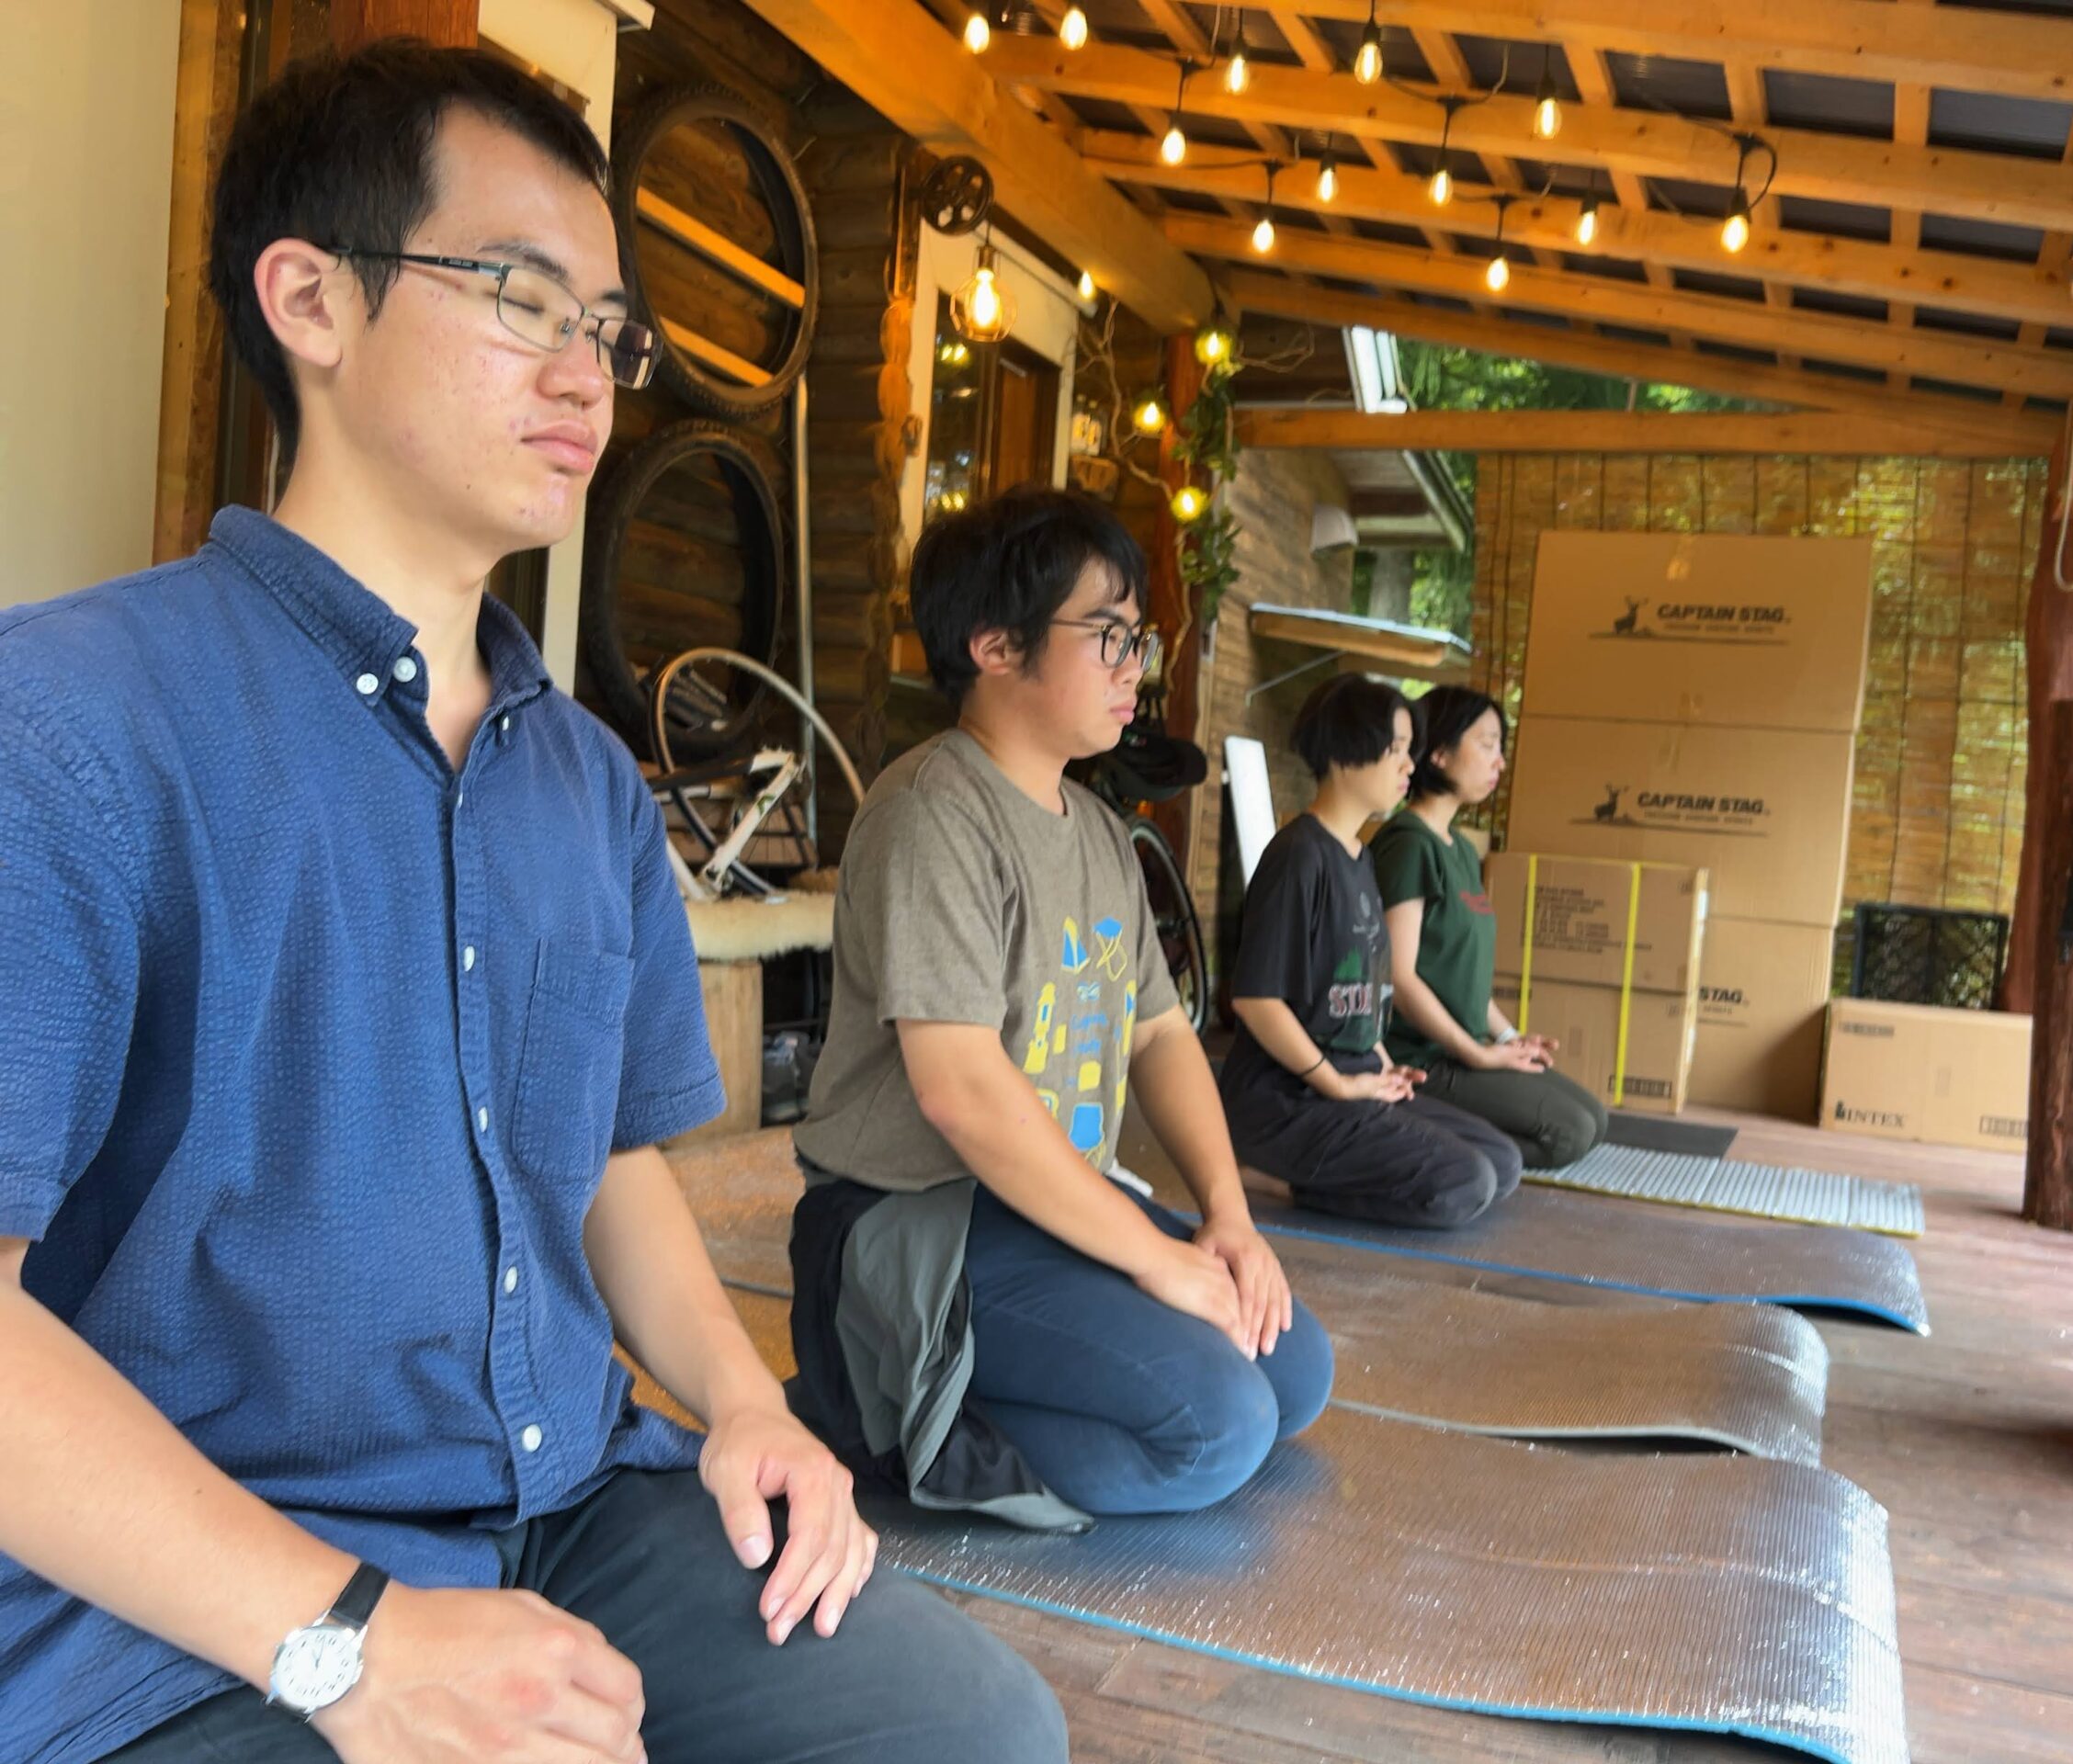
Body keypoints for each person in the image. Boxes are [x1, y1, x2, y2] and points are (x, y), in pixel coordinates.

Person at [0, 45, 1062, 1764]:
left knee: (975, 1731)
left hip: (566, 1505)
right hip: (198, 1587)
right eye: (521, 297)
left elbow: (609, 1164)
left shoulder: (582, 781)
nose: (590, 374)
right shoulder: (69, 723)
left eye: (610, 331)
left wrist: (745, 1404)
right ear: (310, 299)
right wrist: (351, 1646)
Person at [787, 487, 1332, 1523]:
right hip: (918, 1223)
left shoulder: (1096, 828)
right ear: (996, 645)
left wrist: (1225, 1218)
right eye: (1109, 635)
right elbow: (959, 1091)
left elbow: (1160, 1033)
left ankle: (941, 1388)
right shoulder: (932, 811)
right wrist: (1156, 1261)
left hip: (1049, 1201)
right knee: (1220, 1429)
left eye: (1139, 639)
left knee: (1293, 1369)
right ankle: (873, 1402)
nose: (1136, 668)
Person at [1218, 676, 1524, 1227]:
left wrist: (1381, 1065)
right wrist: (1338, 1084)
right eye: (1396, 749)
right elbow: (1256, 1001)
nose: (1409, 765)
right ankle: (1274, 1177)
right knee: (1465, 1182)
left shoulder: (1359, 857)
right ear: (1345, 752)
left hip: (1354, 1083)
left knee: (1502, 1162)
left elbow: (1357, 992)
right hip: (1290, 1100)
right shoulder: (1298, 856)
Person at [1370, 686, 1607, 1173]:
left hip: (1463, 1047)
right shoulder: (1409, 845)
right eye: (1486, 744)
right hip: (1423, 1057)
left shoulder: (1459, 848)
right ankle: (1398, 1139)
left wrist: (1508, 1038)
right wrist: (1477, 1053)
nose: (1499, 761)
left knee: (1595, 1119)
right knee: (1569, 1133)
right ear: (1439, 752)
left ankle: (1455, 1141)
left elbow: (1463, 982)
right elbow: (1398, 976)